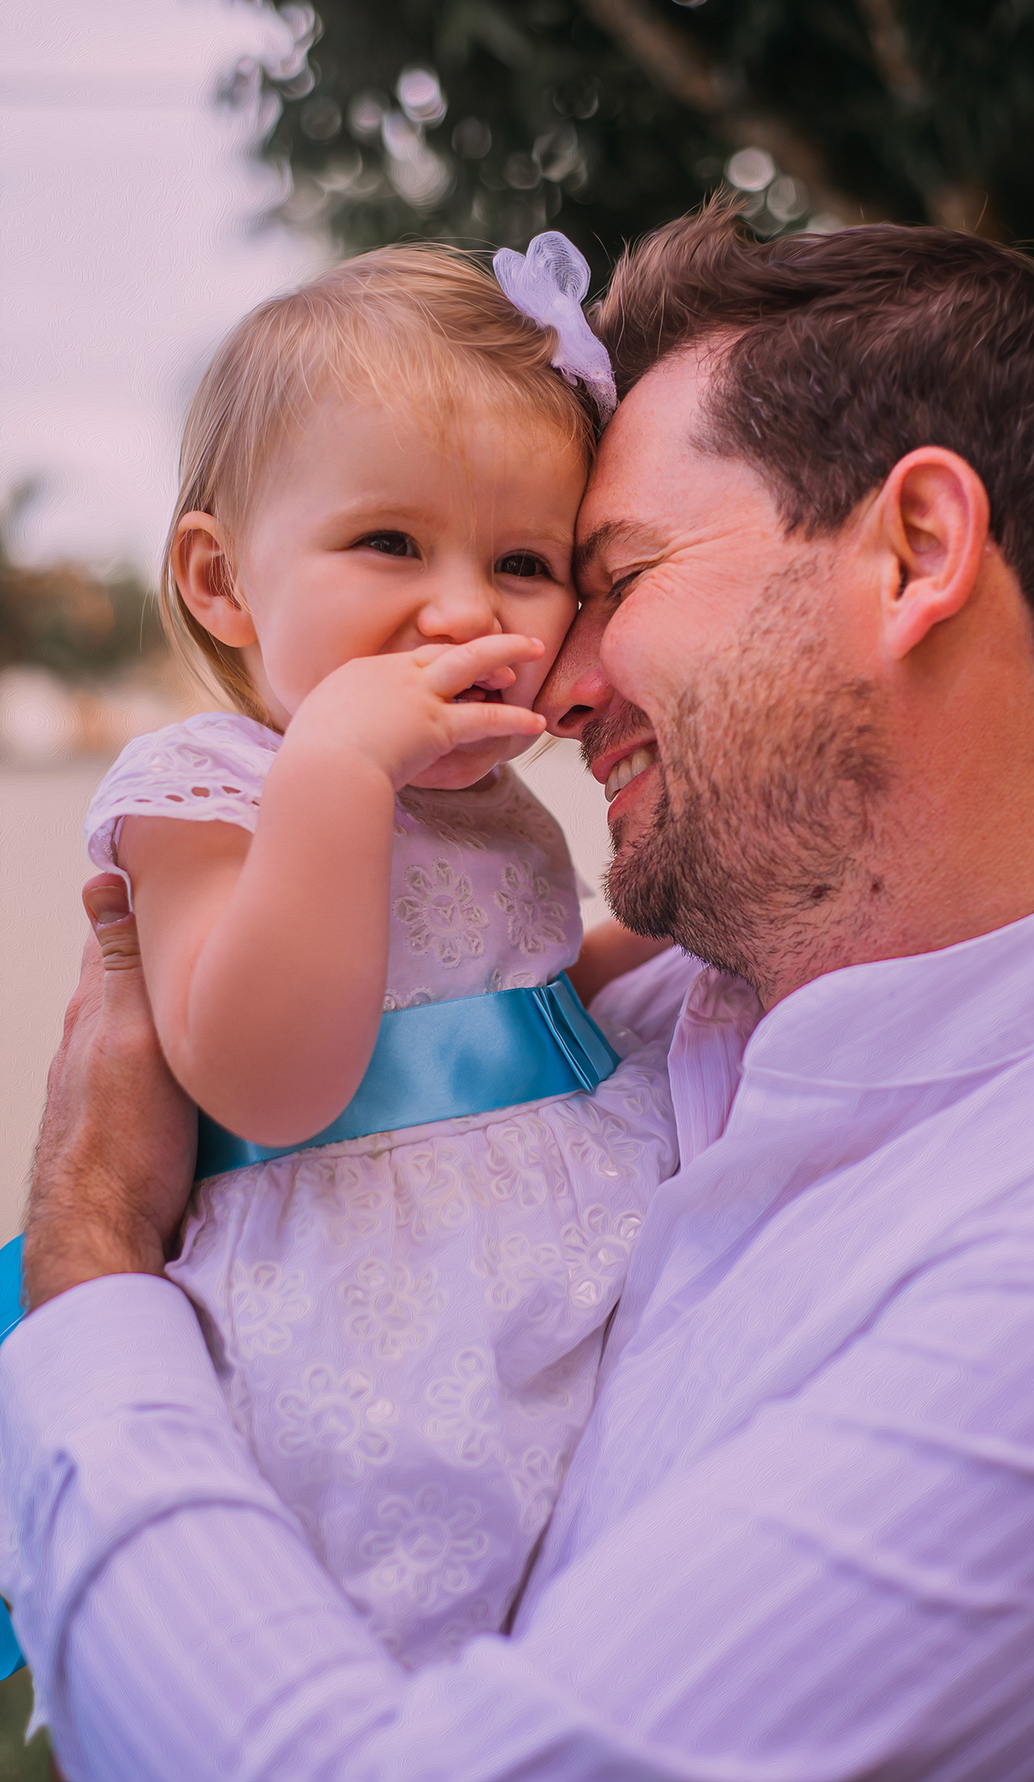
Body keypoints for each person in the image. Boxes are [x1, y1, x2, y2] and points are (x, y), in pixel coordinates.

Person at [3, 205, 1034, 1782]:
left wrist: (91, 1275)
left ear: (913, 554)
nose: (548, 676)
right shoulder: (670, 1012)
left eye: (599, 574)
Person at [12, 235, 678, 1669]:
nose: (462, 609)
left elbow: (511, 992)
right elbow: (267, 1078)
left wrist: (655, 945)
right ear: (220, 579)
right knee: (386, 1656)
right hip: (371, 1338)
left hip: (560, 1290)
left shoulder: (493, 802)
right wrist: (336, 775)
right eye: (390, 542)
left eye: (524, 563)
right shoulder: (206, 788)